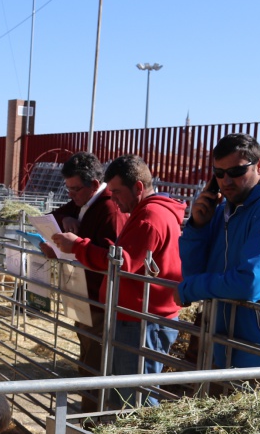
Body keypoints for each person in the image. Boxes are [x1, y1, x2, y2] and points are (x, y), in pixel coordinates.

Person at [51, 155, 185, 408]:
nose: (113, 199)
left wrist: (77, 246)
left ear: (138, 187)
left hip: (143, 319)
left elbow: (122, 261)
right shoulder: (146, 212)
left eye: (117, 192)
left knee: (134, 396)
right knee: (126, 392)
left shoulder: (149, 217)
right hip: (137, 315)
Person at [177, 133, 260, 374]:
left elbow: (249, 283)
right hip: (223, 349)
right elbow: (194, 273)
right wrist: (197, 228)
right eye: (218, 174)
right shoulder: (224, 211)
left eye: (236, 172)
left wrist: (189, 289)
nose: (226, 181)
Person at [39, 152, 125, 404]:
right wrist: (67, 218)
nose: (71, 195)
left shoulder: (110, 208)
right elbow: (51, 217)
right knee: (86, 353)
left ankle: (92, 418)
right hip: (81, 291)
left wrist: (75, 246)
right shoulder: (82, 202)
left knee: (95, 361)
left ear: (95, 185)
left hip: (98, 296)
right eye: (68, 189)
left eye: (75, 189)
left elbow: (112, 256)